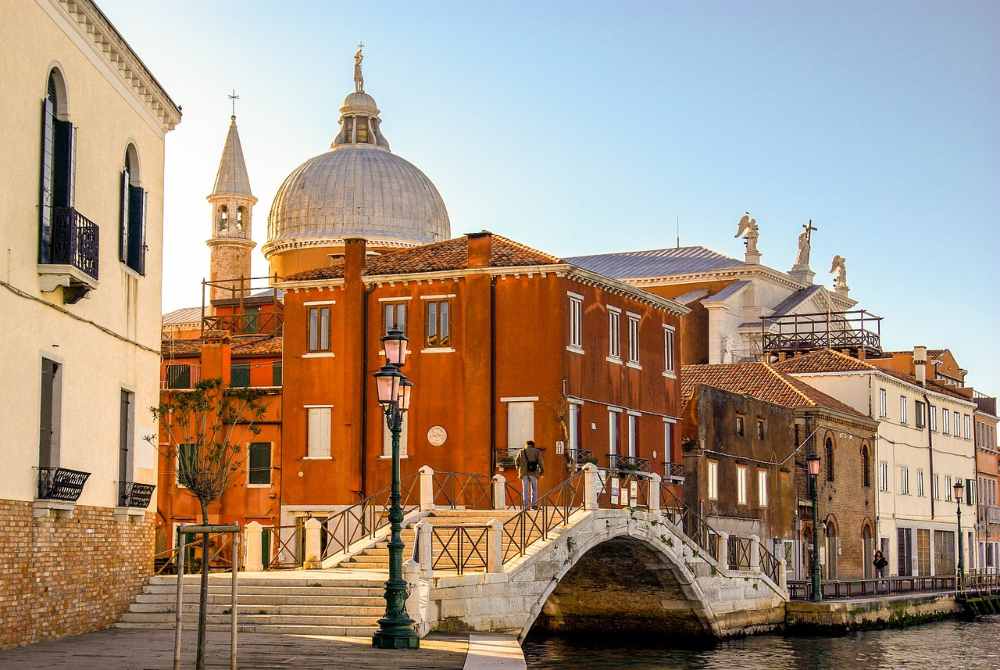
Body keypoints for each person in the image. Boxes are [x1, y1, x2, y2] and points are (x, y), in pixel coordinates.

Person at [515, 440, 544, 509]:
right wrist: (542, 470)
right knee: (534, 489)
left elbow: (516, 461)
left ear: (526, 444)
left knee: (525, 490)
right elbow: (540, 462)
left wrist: (518, 468)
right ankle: (534, 505)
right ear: (533, 445)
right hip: (533, 473)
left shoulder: (521, 451)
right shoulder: (537, 451)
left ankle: (526, 506)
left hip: (524, 473)